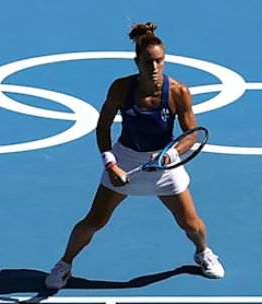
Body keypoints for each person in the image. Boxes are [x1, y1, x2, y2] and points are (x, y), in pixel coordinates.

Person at [45, 21, 224, 290]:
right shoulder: (120, 88)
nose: (154, 68)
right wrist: (110, 163)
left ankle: (203, 253)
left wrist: (173, 154)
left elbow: (192, 134)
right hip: (126, 159)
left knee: (190, 223)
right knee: (95, 220)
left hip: (165, 163)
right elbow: (103, 127)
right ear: (136, 61)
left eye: (160, 61)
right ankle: (64, 264)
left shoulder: (178, 92)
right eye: (148, 62)